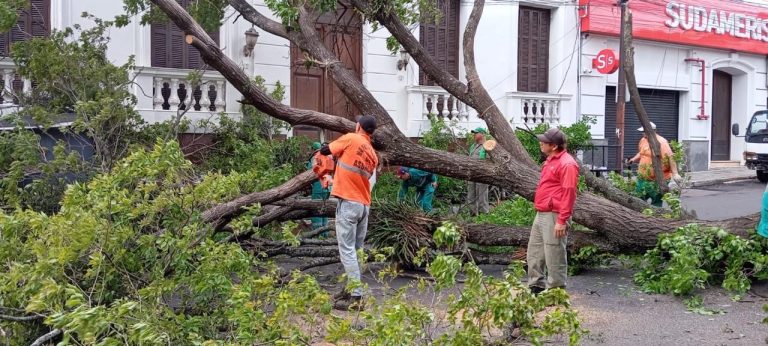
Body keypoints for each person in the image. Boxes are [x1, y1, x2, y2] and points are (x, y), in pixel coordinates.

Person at [319, 115, 378, 311]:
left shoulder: (352, 138)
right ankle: (349, 289)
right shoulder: (373, 154)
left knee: (347, 251)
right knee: (356, 250)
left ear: (358, 126)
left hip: (349, 204)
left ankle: (356, 297)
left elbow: (326, 150)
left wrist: (325, 153)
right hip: (364, 205)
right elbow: (354, 175)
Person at [528, 127, 579, 294]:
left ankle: (556, 292)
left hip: (554, 214)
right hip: (542, 212)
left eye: (544, 142)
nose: (541, 143)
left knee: (554, 253)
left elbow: (569, 193)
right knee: (535, 252)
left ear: (554, 146)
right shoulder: (550, 160)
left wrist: (562, 220)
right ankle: (536, 286)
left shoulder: (567, 164)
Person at [627, 122, 682, 207]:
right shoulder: (643, 140)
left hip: (657, 179)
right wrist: (633, 159)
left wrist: (675, 173)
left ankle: (656, 214)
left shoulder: (661, 142)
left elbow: (670, 157)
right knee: (638, 198)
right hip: (643, 178)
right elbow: (641, 153)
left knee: (656, 201)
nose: (642, 133)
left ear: (652, 131)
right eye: (642, 131)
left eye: (644, 131)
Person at [306, 142, 332, 237]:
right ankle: (325, 234)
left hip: (318, 187)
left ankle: (318, 235)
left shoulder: (315, 158)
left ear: (313, 149)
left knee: (317, 210)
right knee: (324, 210)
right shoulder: (327, 157)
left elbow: (310, 173)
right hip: (327, 188)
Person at [467, 127, 490, 215]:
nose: (474, 135)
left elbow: (489, 162)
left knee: (482, 198)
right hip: (472, 175)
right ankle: (472, 216)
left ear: (482, 134)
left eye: (476, 133)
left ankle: (484, 216)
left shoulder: (487, 145)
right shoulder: (473, 146)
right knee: (471, 197)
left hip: (482, 176)